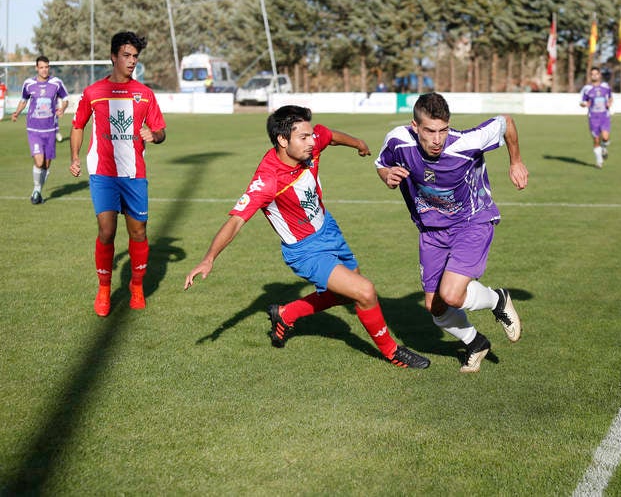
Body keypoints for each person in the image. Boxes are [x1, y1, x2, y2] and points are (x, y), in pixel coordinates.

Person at [184, 105, 430, 370]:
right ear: (282, 140)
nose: (312, 141)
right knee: (365, 291)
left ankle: (286, 314)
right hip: (305, 250)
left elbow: (329, 135)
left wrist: (358, 143)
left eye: (310, 135)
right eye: (303, 137)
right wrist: (208, 259)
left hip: (328, 230)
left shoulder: (309, 144)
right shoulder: (268, 180)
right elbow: (235, 221)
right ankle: (393, 352)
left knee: (348, 294)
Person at [375, 92, 528, 372]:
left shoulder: (467, 143)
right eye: (430, 131)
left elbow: (505, 121)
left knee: (453, 295)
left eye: (443, 130)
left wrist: (515, 161)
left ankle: (498, 300)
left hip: (472, 222)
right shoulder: (398, 140)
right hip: (431, 232)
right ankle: (475, 342)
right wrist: (387, 176)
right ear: (415, 127)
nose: (437, 139)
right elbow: (382, 164)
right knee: (436, 307)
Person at [69, 32, 167, 316]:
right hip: (103, 173)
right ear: (113, 57)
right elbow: (78, 125)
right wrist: (75, 156)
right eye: (126, 55)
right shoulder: (94, 92)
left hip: (134, 174)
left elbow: (161, 132)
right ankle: (104, 290)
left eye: (135, 56)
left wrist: (154, 135)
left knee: (138, 232)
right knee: (107, 230)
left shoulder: (145, 94)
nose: (132, 61)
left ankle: (136, 286)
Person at [10, 56, 69, 204]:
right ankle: (36, 189)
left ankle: (37, 192)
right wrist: (17, 112)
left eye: (47, 67)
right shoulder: (29, 84)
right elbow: (23, 100)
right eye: (41, 67)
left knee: (46, 165)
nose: (44, 70)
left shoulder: (56, 83)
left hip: (50, 129)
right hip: (34, 129)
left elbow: (66, 98)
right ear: (36, 68)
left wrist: (62, 108)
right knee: (39, 161)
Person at [580, 66, 613, 168]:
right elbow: (582, 102)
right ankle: (599, 161)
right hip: (593, 117)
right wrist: (585, 104)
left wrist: (609, 103)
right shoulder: (587, 89)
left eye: (596, 74)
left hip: (604, 116)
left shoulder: (605, 87)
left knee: (605, 137)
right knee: (596, 139)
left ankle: (604, 147)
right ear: (590, 76)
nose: (594, 76)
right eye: (592, 74)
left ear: (600, 75)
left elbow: (611, 98)